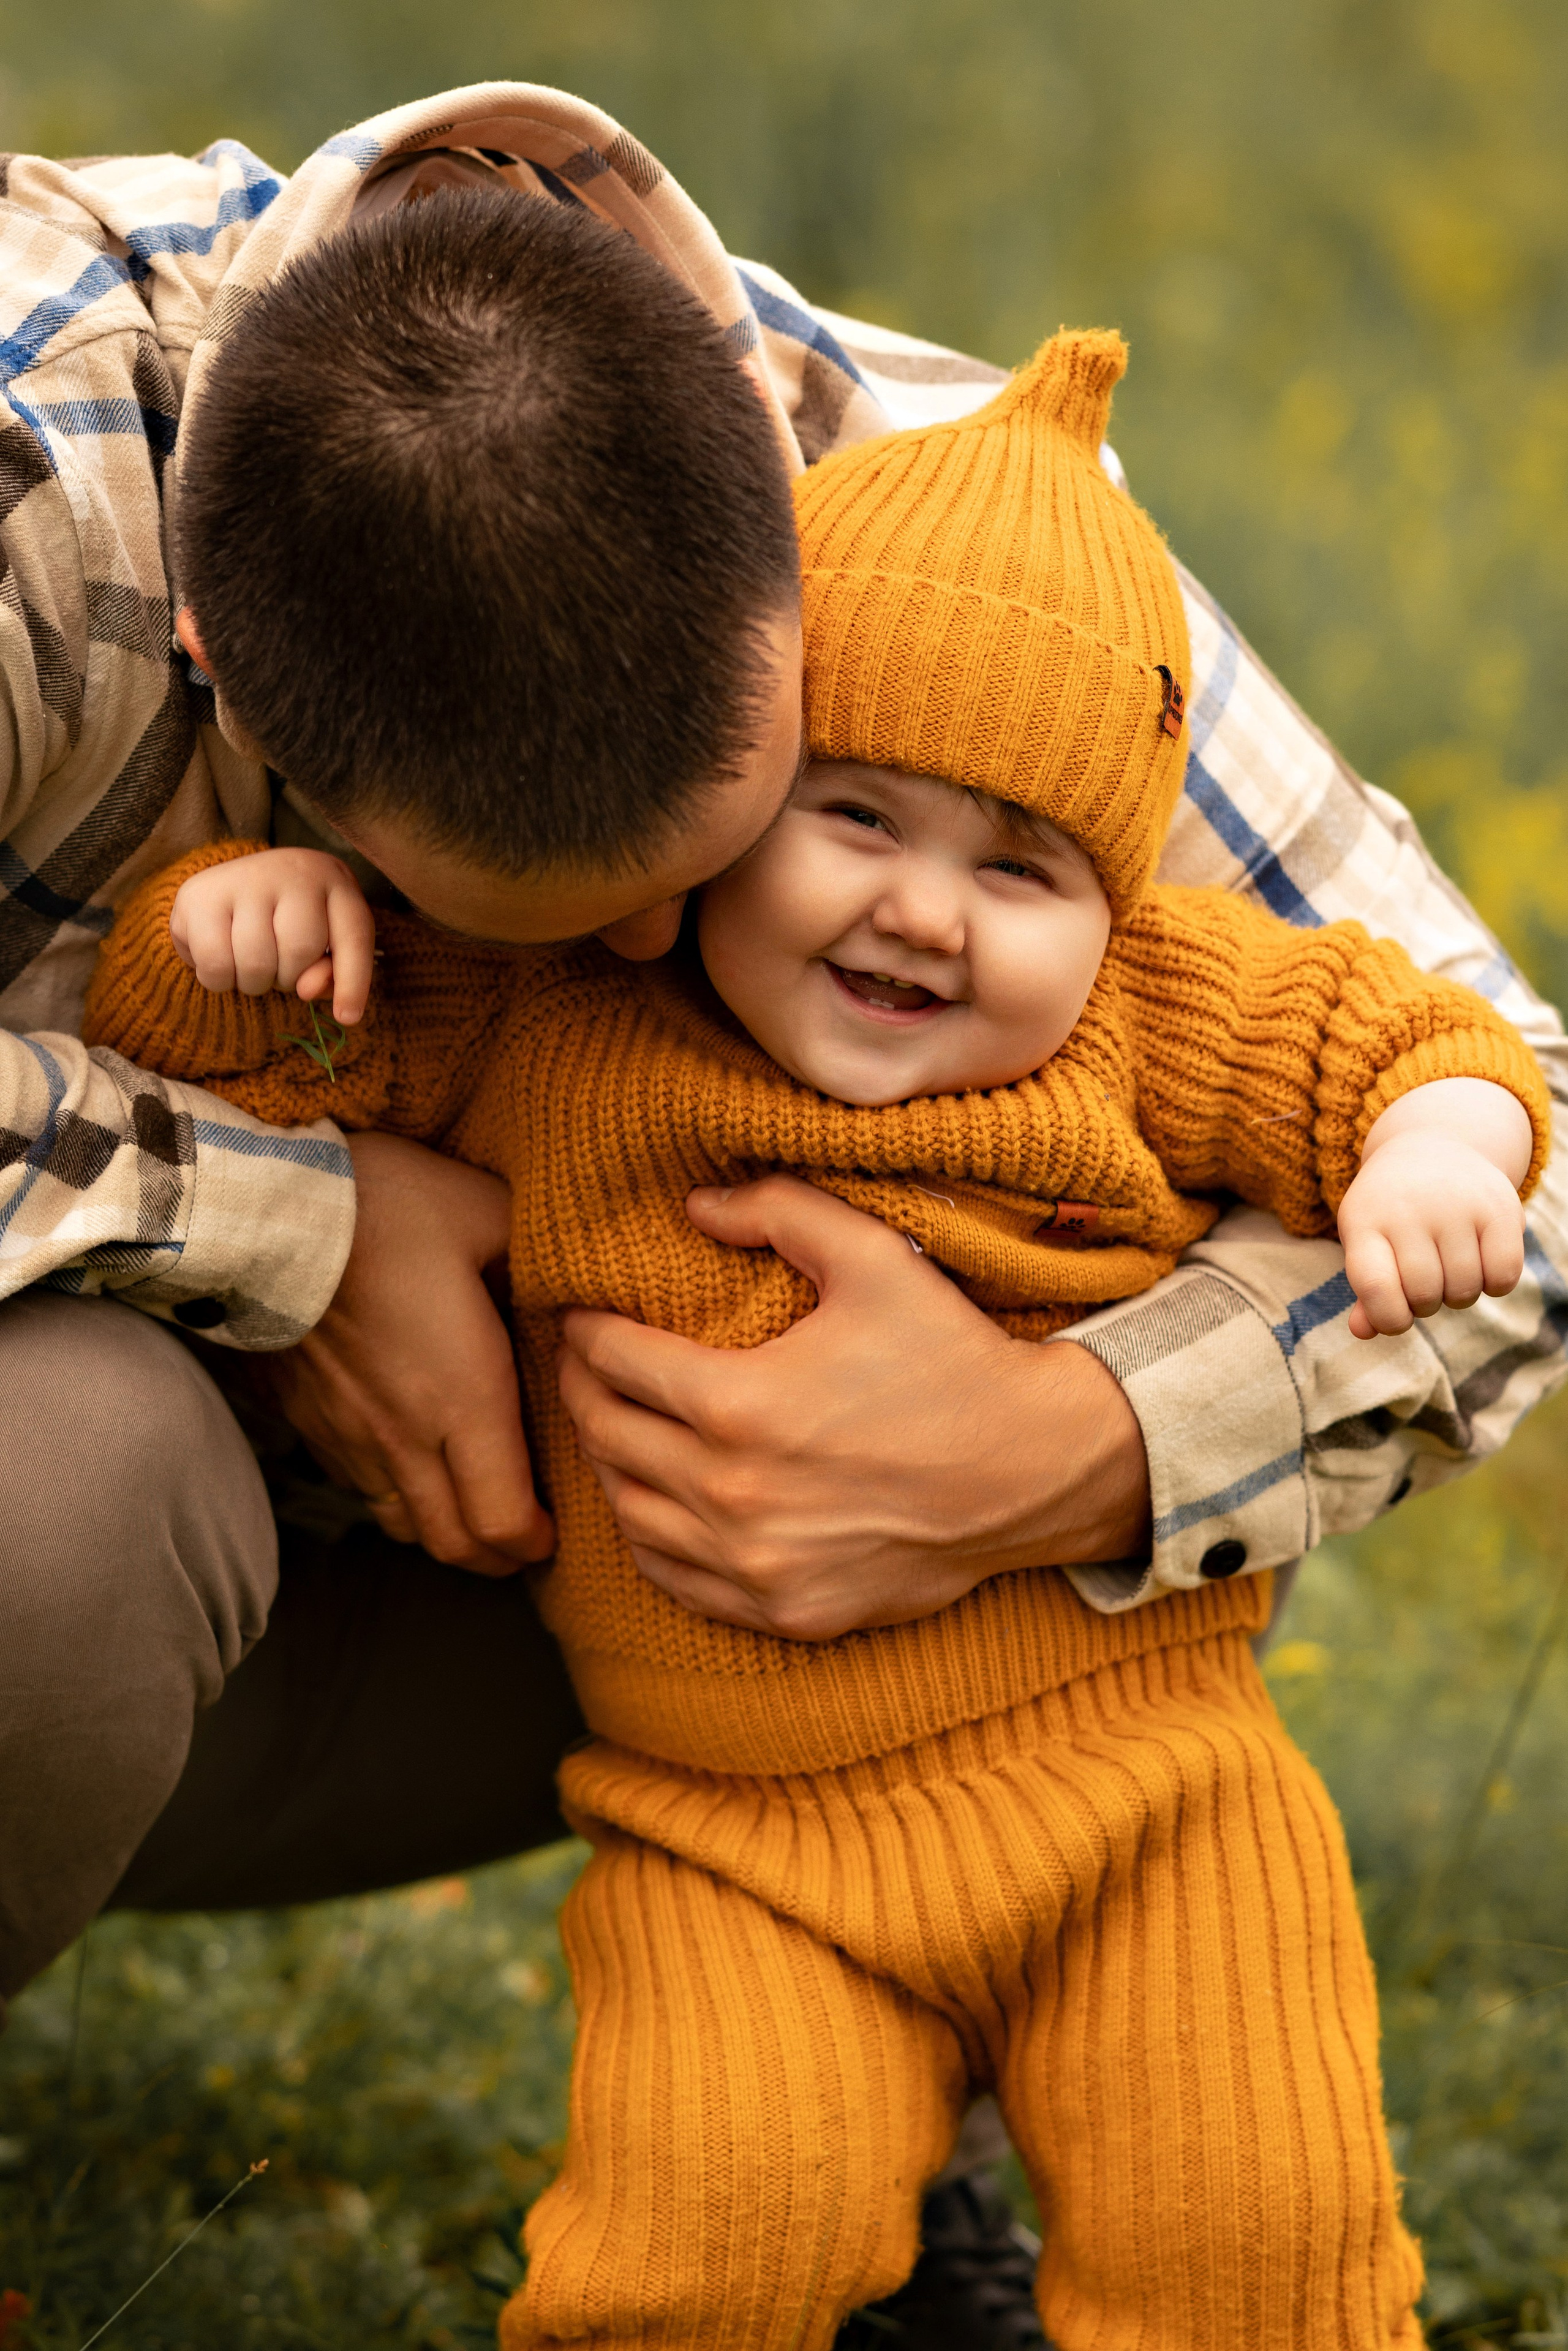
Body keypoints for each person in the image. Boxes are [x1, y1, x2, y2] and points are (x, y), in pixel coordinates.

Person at [1, 78, 1566, 2349]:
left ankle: (930, 2111)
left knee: (1250, 2193)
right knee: (53, 1501)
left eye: (715, 854)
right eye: (565, 920)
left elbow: (1503, 1093)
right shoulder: (37, 485)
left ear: (767, 453)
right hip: (147, 1553)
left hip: (709, 1602)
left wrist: (1074, 1443)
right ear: (217, 643)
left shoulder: (940, 513)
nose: (657, 974)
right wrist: (287, 1213)